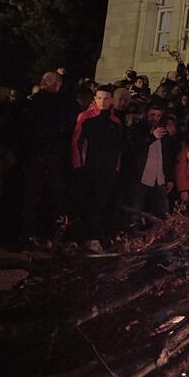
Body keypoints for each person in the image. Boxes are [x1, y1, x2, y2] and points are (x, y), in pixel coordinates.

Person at [17, 71, 78, 240]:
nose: (45, 82)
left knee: (54, 199)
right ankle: (28, 234)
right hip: (37, 158)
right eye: (44, 79)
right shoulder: (34, 104)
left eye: (49, 80)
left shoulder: (64, 105)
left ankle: (53, 235)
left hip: (54, 159)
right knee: (32, 198)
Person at [71, 86, 123, 253]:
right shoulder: (85, 117)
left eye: (106, 99)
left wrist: (115, 167)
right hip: (88, 168)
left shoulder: (115, 122)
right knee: (83, 203)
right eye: (100, 98)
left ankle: (93, 238)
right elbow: (76, 143)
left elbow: (118, 148)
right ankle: (76, 238)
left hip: (107, 170)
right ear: (95, 99)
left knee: (99, 204)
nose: (103, 101)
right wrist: (79, 165)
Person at [124, 103, 176, 220]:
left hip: (159, 177)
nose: (155, 118)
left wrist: (169, 177)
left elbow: (167, 157)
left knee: (163, 211)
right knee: (135, 211)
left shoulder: (163, 132)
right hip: (140, 176)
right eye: (152, 115)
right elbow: (133, 149)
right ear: (146, 114)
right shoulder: (138, 129)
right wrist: (151, 137)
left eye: (158, 116)